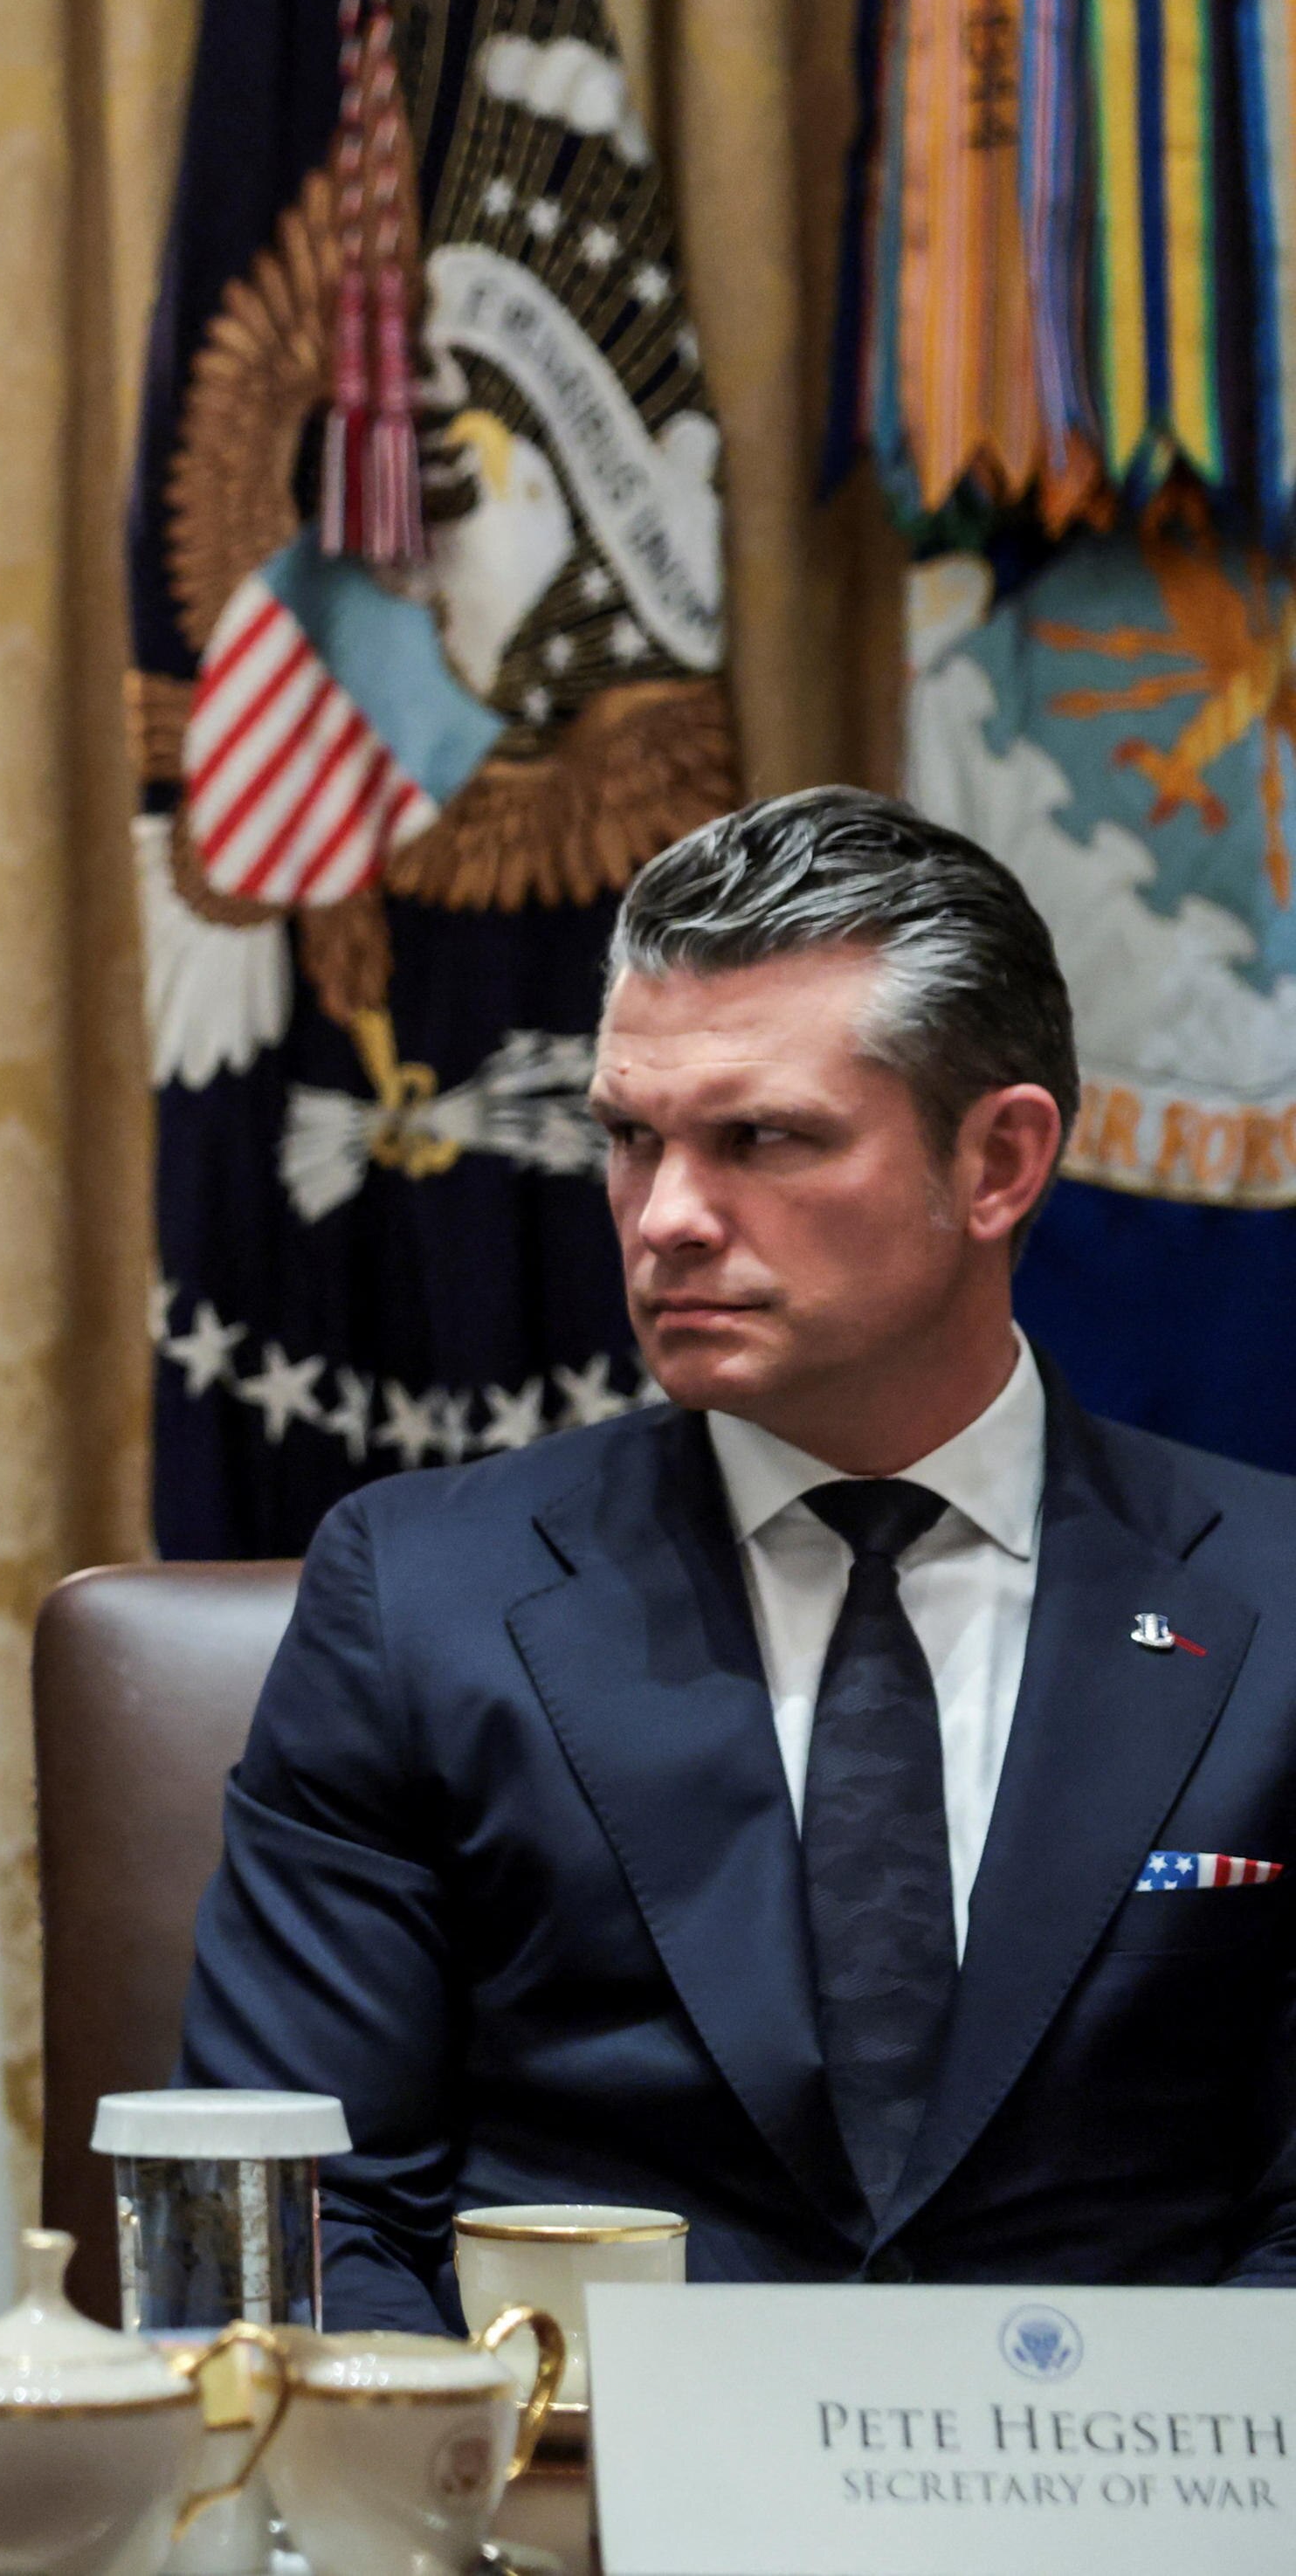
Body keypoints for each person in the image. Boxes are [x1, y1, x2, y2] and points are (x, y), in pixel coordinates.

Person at [182, 787, 1296, 2323]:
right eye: (632, 1139)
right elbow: (310, 2226)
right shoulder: (421, 1599)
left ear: (998, 1164)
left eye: (763, 1137)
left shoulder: (1275, 1611)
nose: (669, 1218)